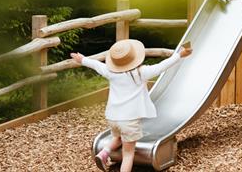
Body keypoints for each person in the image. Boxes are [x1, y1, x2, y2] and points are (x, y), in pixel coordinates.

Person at [70, 39, 192, 172]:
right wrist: (179, 55)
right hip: (129, 121)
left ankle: (104, 153)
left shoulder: (110, 72)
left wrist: (82, 59)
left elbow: (96, 65)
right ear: (134, 58)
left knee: (118, 137)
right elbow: (162, 66)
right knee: (128, 154)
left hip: (113, 118)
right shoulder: (141, 73)